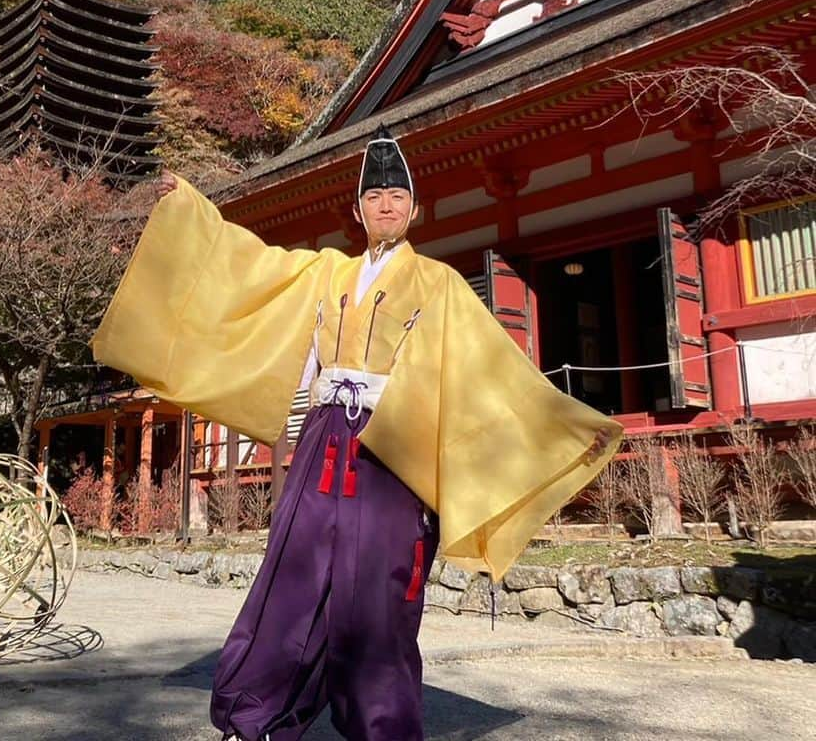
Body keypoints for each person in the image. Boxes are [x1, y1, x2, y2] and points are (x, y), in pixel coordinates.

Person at [90, 126, 620, 741]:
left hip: (393, 446)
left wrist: (566, 427)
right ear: (358, 210)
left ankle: (381, 726)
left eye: (398, 196)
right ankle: (255, 714)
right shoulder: (328, 274)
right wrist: (190, 207)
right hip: (323, 439)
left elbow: (490, 373)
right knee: (292, 578)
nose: (386, 205)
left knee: (380, 591)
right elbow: (247, 266)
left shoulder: (440, 284)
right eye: (374, 197)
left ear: (416, 208)